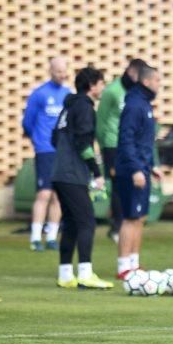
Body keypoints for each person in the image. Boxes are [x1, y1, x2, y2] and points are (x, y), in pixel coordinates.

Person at [51, 67, 113, 290]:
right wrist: (96, 173)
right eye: (101, 83)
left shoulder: (68, 107)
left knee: (71, 224)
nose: (102, 88)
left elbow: (53, 138)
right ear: (92, 85)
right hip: (72, 174)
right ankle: (85, 273)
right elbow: (84, 144)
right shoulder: (85, 108)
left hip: (59, 171)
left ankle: (65, 274)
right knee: (87, 221)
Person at [114, 64, 161, 279]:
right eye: (157, 81)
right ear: (147, 81)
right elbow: (126, 140)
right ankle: (123, 266)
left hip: (142, 167)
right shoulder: (134, 105)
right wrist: (135, 169)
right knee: (130, 217)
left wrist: (151, 166)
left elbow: (144, 141)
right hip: (132, 170)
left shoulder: (144, 104)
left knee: (140, 217)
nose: (159, 85)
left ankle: (134, 263)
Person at [96, 58, 148, 243]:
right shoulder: (112, 91)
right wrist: (104, 144)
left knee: (131, 184)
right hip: (112, 144)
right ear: (130, 72)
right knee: (118, 186)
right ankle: (117, 226)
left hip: (130, 145)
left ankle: (129, 221)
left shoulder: (137, 93)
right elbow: (101, 120)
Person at [22, 57, 71, 251]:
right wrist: (38, 140)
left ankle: (52, 236)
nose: (62, 75)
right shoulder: (39, 94)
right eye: (58, 71)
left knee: (58, 196)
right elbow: (27, 121)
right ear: (51, 71)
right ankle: (35, 237)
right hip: (45, 149)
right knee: (44, 193)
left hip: (62, 151)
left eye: (64, 71)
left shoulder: (68, 94)